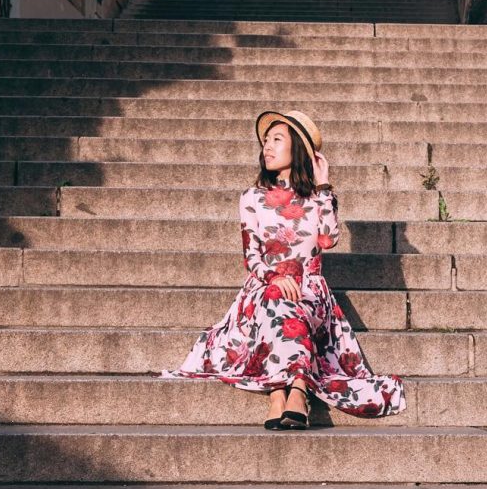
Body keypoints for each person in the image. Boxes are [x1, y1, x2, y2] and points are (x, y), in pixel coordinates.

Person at [159, 109, 406, 430]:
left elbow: (329, 239)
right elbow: (252, 256)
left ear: (297, 150)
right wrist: (276, 277)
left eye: (277, 139)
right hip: (263, 290)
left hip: (311, 293)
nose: (267, 147)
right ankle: (290, 393)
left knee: (290, 299)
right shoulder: (252, 198)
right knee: (278, 296)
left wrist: (324, 185)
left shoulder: (318, 198)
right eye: (265, 141)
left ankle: (284, 393)